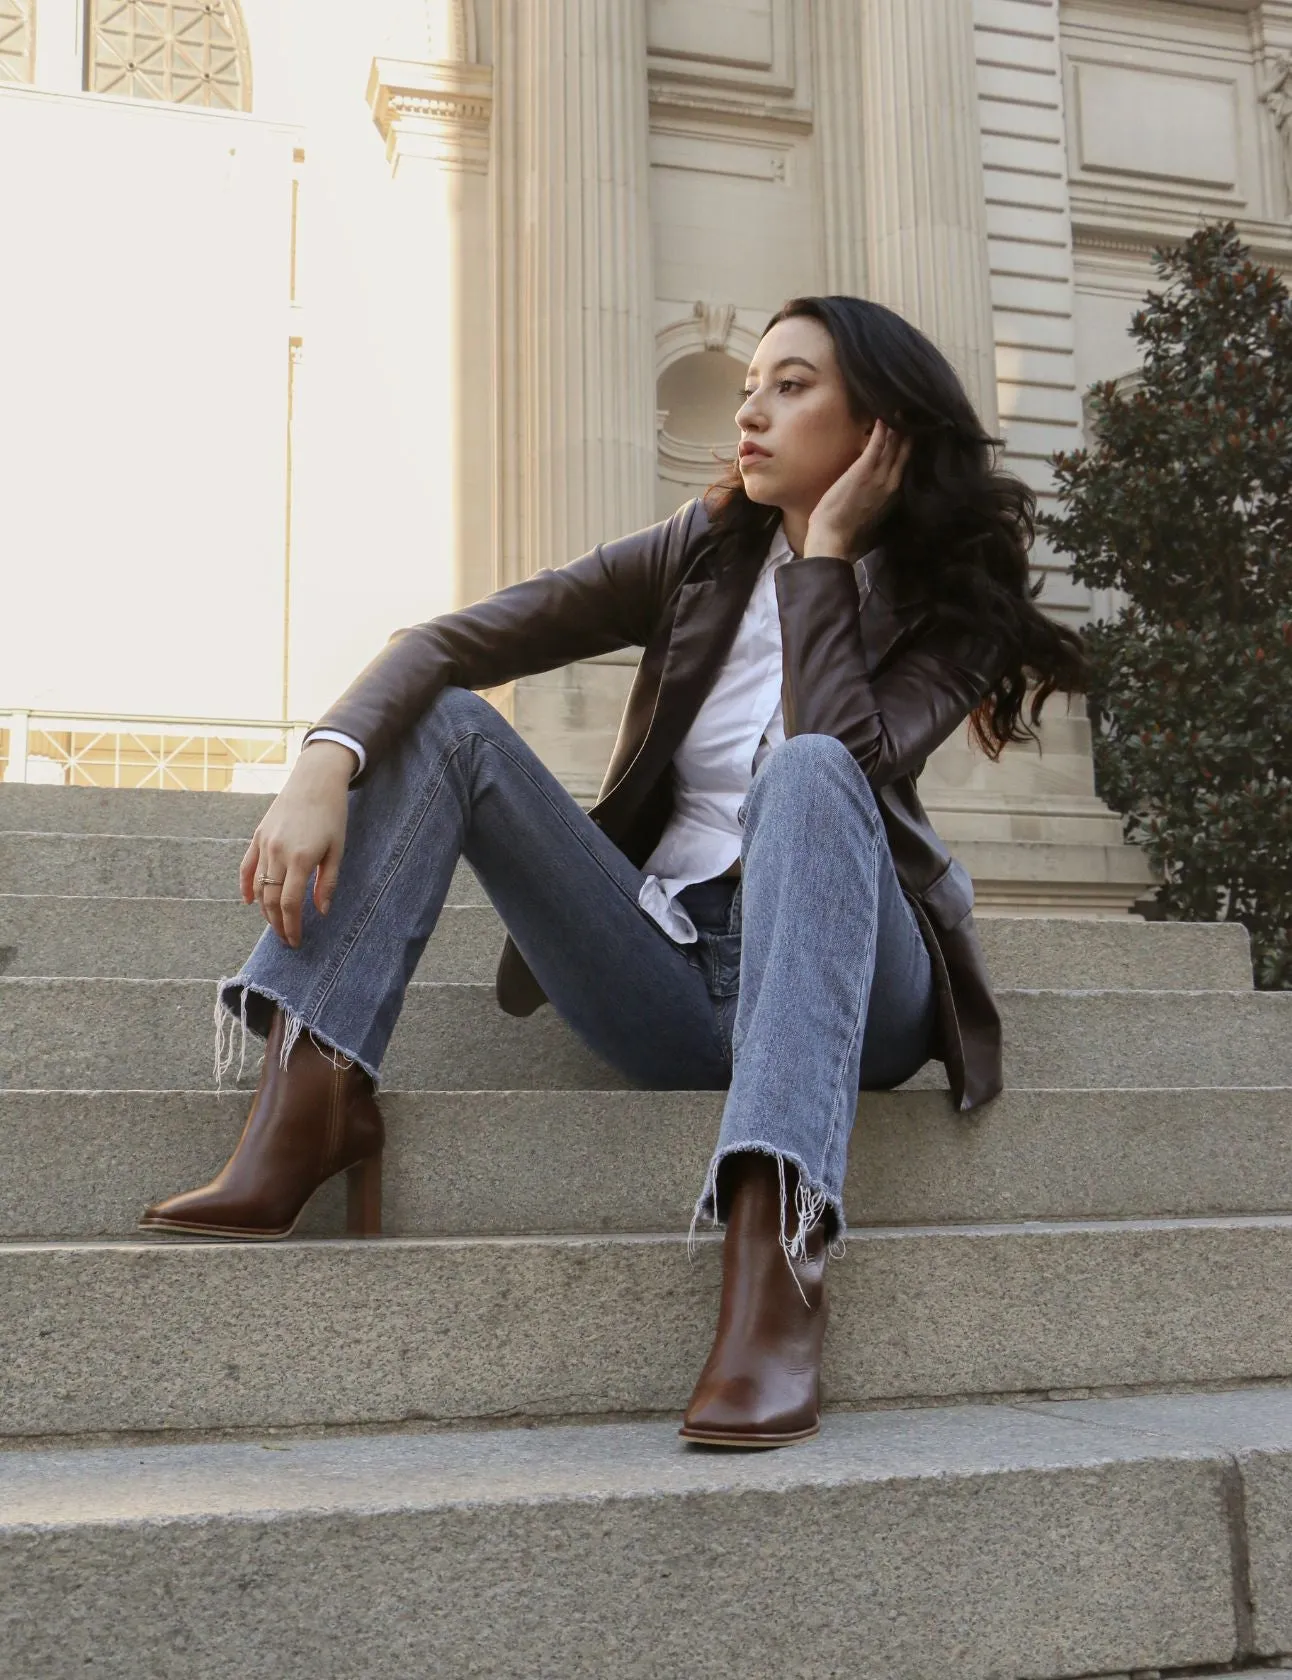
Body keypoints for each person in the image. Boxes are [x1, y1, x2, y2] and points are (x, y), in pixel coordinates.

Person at [138, 294, 1086, 1450]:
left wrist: (825, 557)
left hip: (849, 985)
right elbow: (447, 640)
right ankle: (311, 1099)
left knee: (803, 774)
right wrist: (320, 764)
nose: (749, 408)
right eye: (747, 384)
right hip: (671, 975)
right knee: (442, 722)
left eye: (792, 386)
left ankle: (776, 1261)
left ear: (878, 430)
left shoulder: (950, 611)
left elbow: (849, 758)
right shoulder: (699, 549)